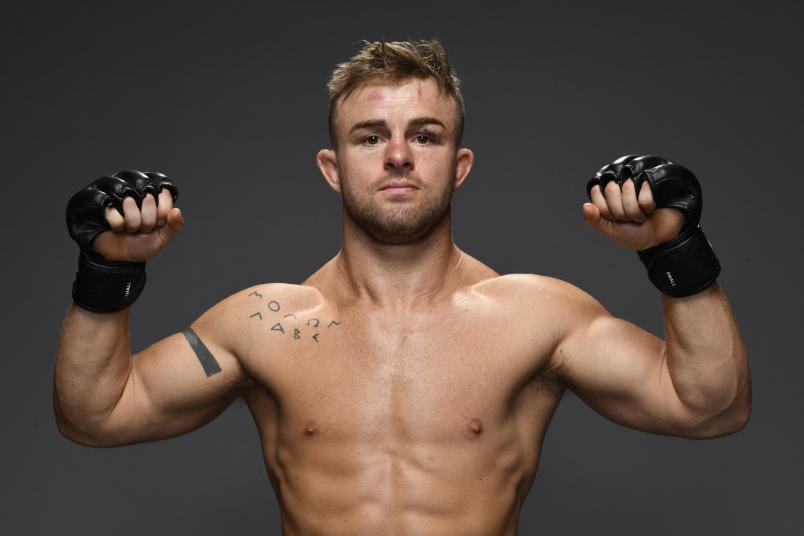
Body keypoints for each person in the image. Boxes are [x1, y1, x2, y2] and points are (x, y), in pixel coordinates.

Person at [54, 40, 751, 535]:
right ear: (332, 167)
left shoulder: (536, 315)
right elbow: (96, 414)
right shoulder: (263, 322)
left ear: (460, 164)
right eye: (369, 137)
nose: (396, 154)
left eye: (424, 134)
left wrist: (673, 249)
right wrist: (108, 271)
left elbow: (710, 407)